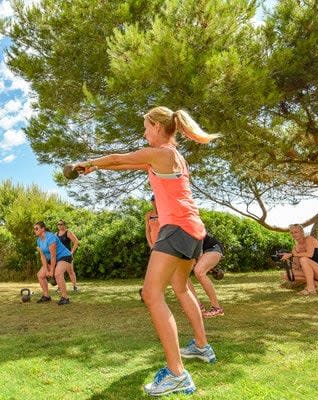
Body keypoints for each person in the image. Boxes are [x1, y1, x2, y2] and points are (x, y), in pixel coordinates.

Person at [73, 106, 219, 396]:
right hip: (193, 230)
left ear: (155, 126)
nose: (143, 132)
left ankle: (177, 374)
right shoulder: (171, 156)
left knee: (151, 294)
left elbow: (117, 158)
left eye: (145, 127)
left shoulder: (161, 153)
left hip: (176, 228)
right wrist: (94, 167)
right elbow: (122, 164)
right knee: (181, 287)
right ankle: (202, 347)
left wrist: (87, 162)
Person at [280, 224, 318, 295]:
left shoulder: (309, 239)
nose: (294, 234)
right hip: (315, 274)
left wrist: (292, 254)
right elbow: (296, 267)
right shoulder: (296, 248)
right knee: (286, 275)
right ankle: (316, 283)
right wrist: (288, 260)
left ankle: (311, 289)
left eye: (296, 232)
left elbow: (309, 254)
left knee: (304, 259)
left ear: (302, 232)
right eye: (292, 233)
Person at [34, 221, 73, 305]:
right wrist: (46, 270)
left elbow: (53, 256)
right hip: (52, 259)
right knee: (40, 275)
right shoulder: (39, 240)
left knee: (57, 274)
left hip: (64, 256)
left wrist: (51, 271)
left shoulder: (51, 237)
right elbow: (43, 256)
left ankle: (65, 298)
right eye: (34, 229)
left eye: (37, 228)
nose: (35, 230)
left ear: (43, 229)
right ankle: (46, 296)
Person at [186, 233, 225, 318]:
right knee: (183, 275)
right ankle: (197, 305)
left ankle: (217, 308)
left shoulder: (185, 226)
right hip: (201, 251)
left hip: (213, 248)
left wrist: (198, 261)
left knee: (199, 271)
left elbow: (198, 243)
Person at [56, 219, 80, 292]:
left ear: (64, 225)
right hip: (59, 255)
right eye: (58, 224)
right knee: (59, 272)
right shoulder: (56, 234)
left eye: (61, 224)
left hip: (67, 255)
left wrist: (72, 251)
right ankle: (60, 287)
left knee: (70, 271)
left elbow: (76, 242)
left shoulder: (68, 232)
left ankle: (75, 287)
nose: (59, 226)